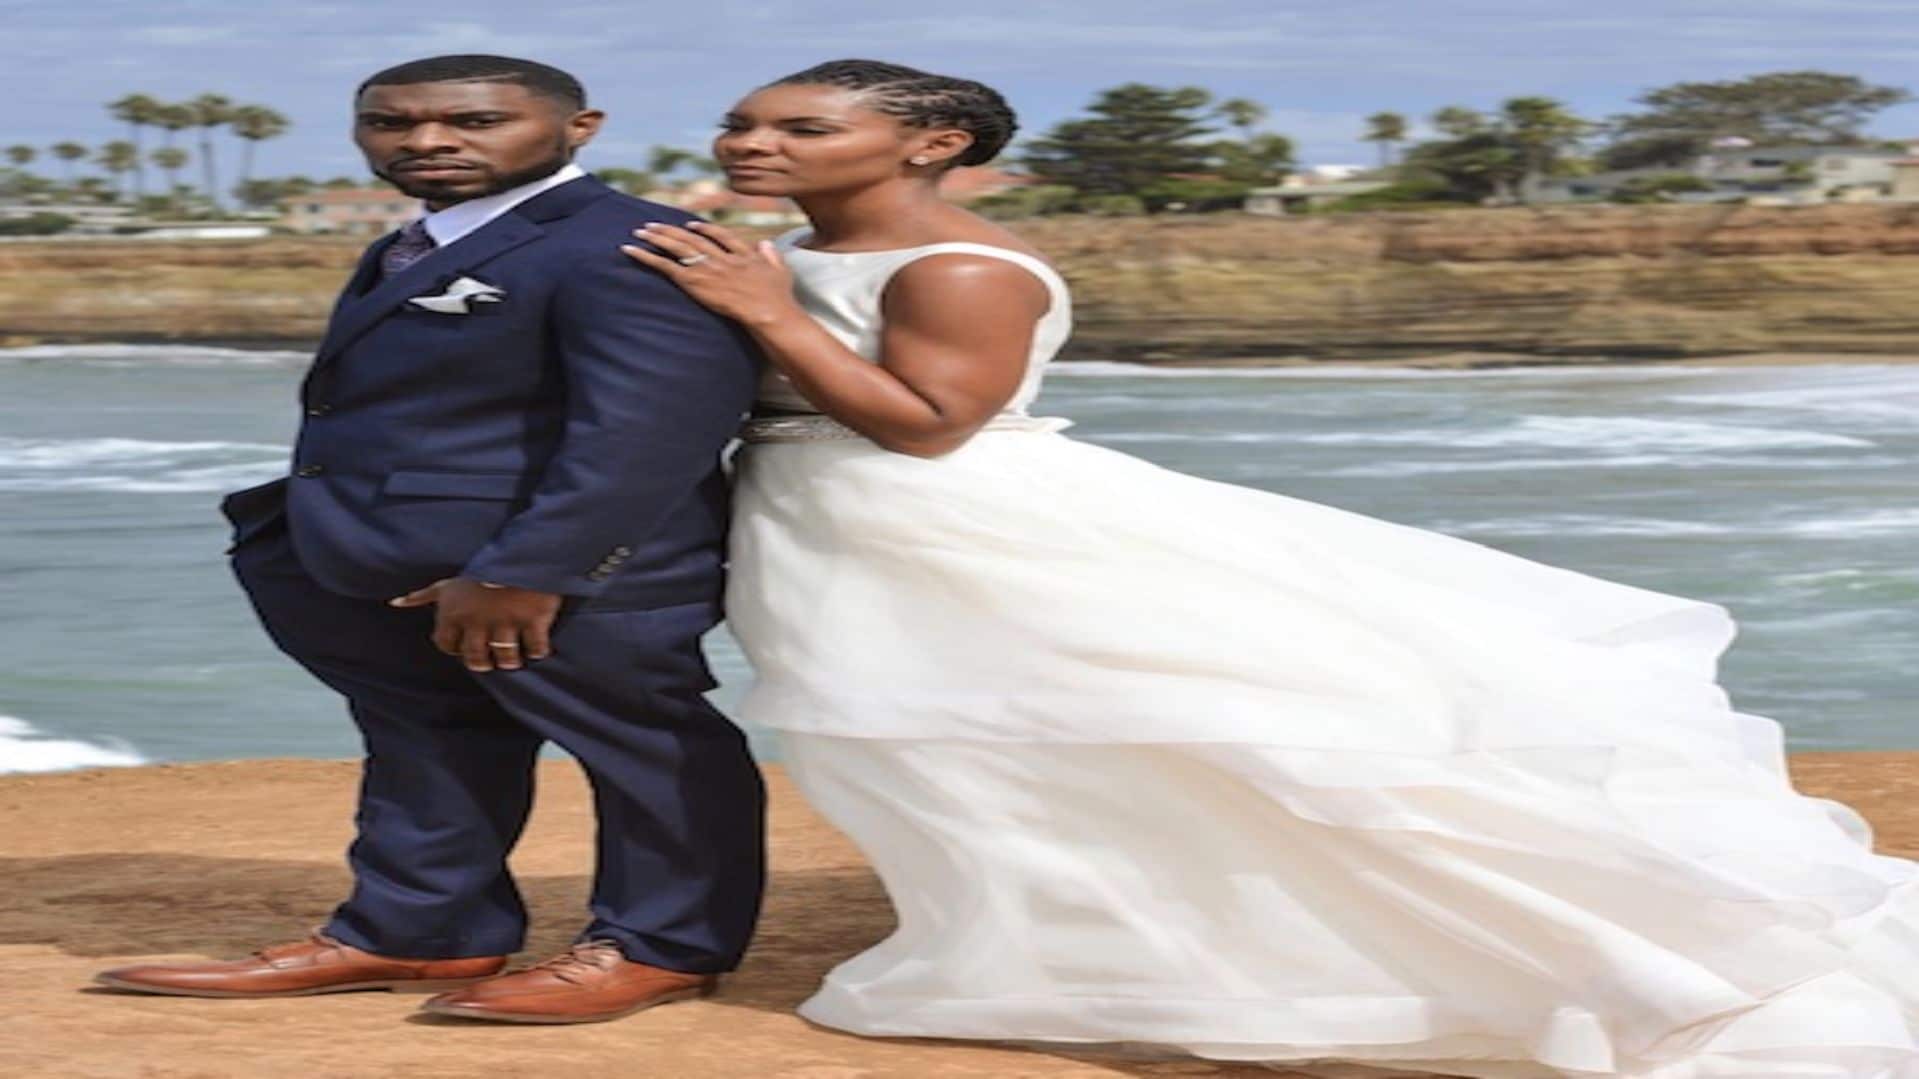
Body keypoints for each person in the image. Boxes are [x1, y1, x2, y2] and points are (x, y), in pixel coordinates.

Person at [620, 59, 1919, 1077]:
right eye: (743, 124)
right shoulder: (785, 255)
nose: (752, 145)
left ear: (932, 143)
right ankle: (1049, 940)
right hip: (832, 526)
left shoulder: (959, 263)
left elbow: (928, 420)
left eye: (796, 129)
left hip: (954, 526)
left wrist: (769, 315)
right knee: (931, 749)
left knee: (1120, 732)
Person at [94, 55, 768, 1025]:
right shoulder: (420, 241)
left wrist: (529, 569)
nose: (426, 141)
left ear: (578, 128)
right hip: (386, 559)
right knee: (426, 736)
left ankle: (659, 945)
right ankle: (417, 928)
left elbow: (650, 428)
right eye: (389, 122)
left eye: (471, 119)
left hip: (559, 573)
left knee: (645, 745)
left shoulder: (631, 244)